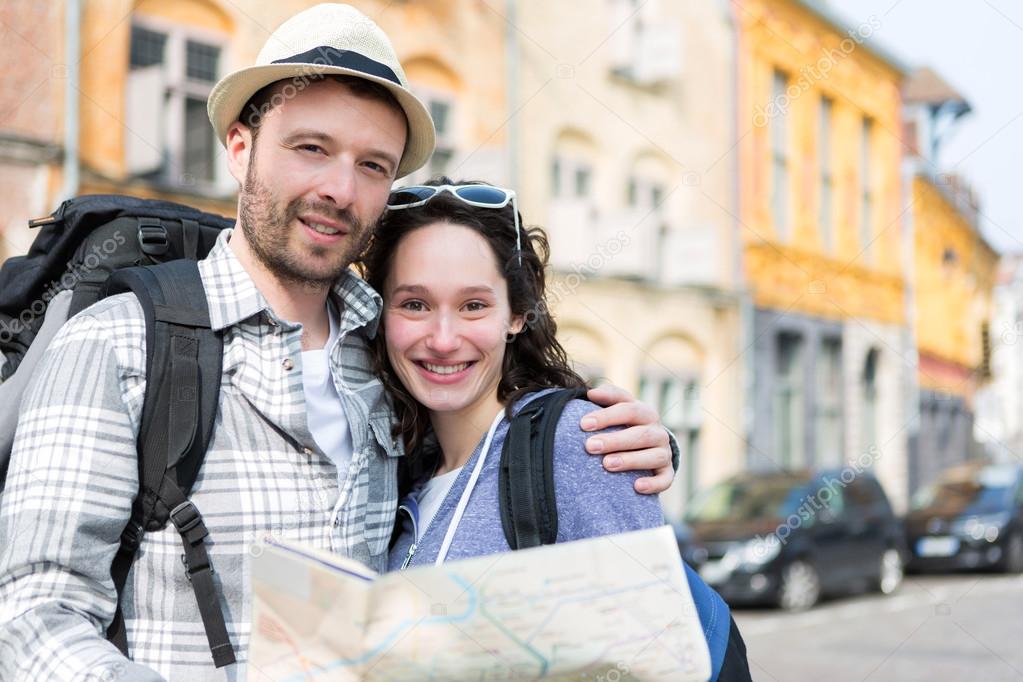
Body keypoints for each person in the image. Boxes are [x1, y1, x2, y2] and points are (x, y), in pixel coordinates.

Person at [0, 5, 678, 681]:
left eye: (372, 165)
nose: (338, 189)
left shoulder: (386, 356)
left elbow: (483, 457)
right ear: (240, 148)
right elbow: (32, 612)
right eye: (311, 148)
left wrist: (618, 447)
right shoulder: (119, 344)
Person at [364, 180, 751, 681]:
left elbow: (663, 662)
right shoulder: (401, 463)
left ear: (517, 316)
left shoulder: (575, 443)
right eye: (414, 304)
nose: (442, 338)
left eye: (473, 305)